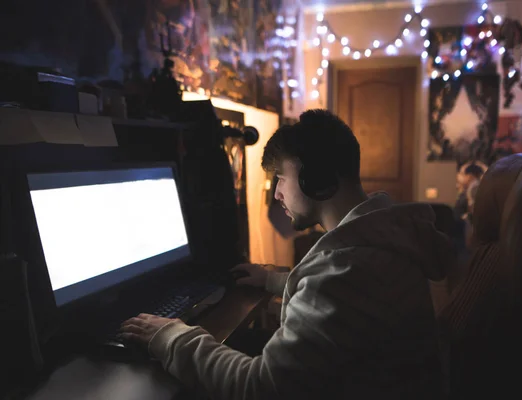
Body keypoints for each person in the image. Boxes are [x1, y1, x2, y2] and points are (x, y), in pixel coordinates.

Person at [120, 109, 454, 400]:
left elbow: (259, 388)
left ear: (317, 177)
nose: (277, 193)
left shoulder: (347, 272)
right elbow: (337, 298)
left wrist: (172, 336)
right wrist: (275, 280)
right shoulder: (380, 239)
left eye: (281, 178)